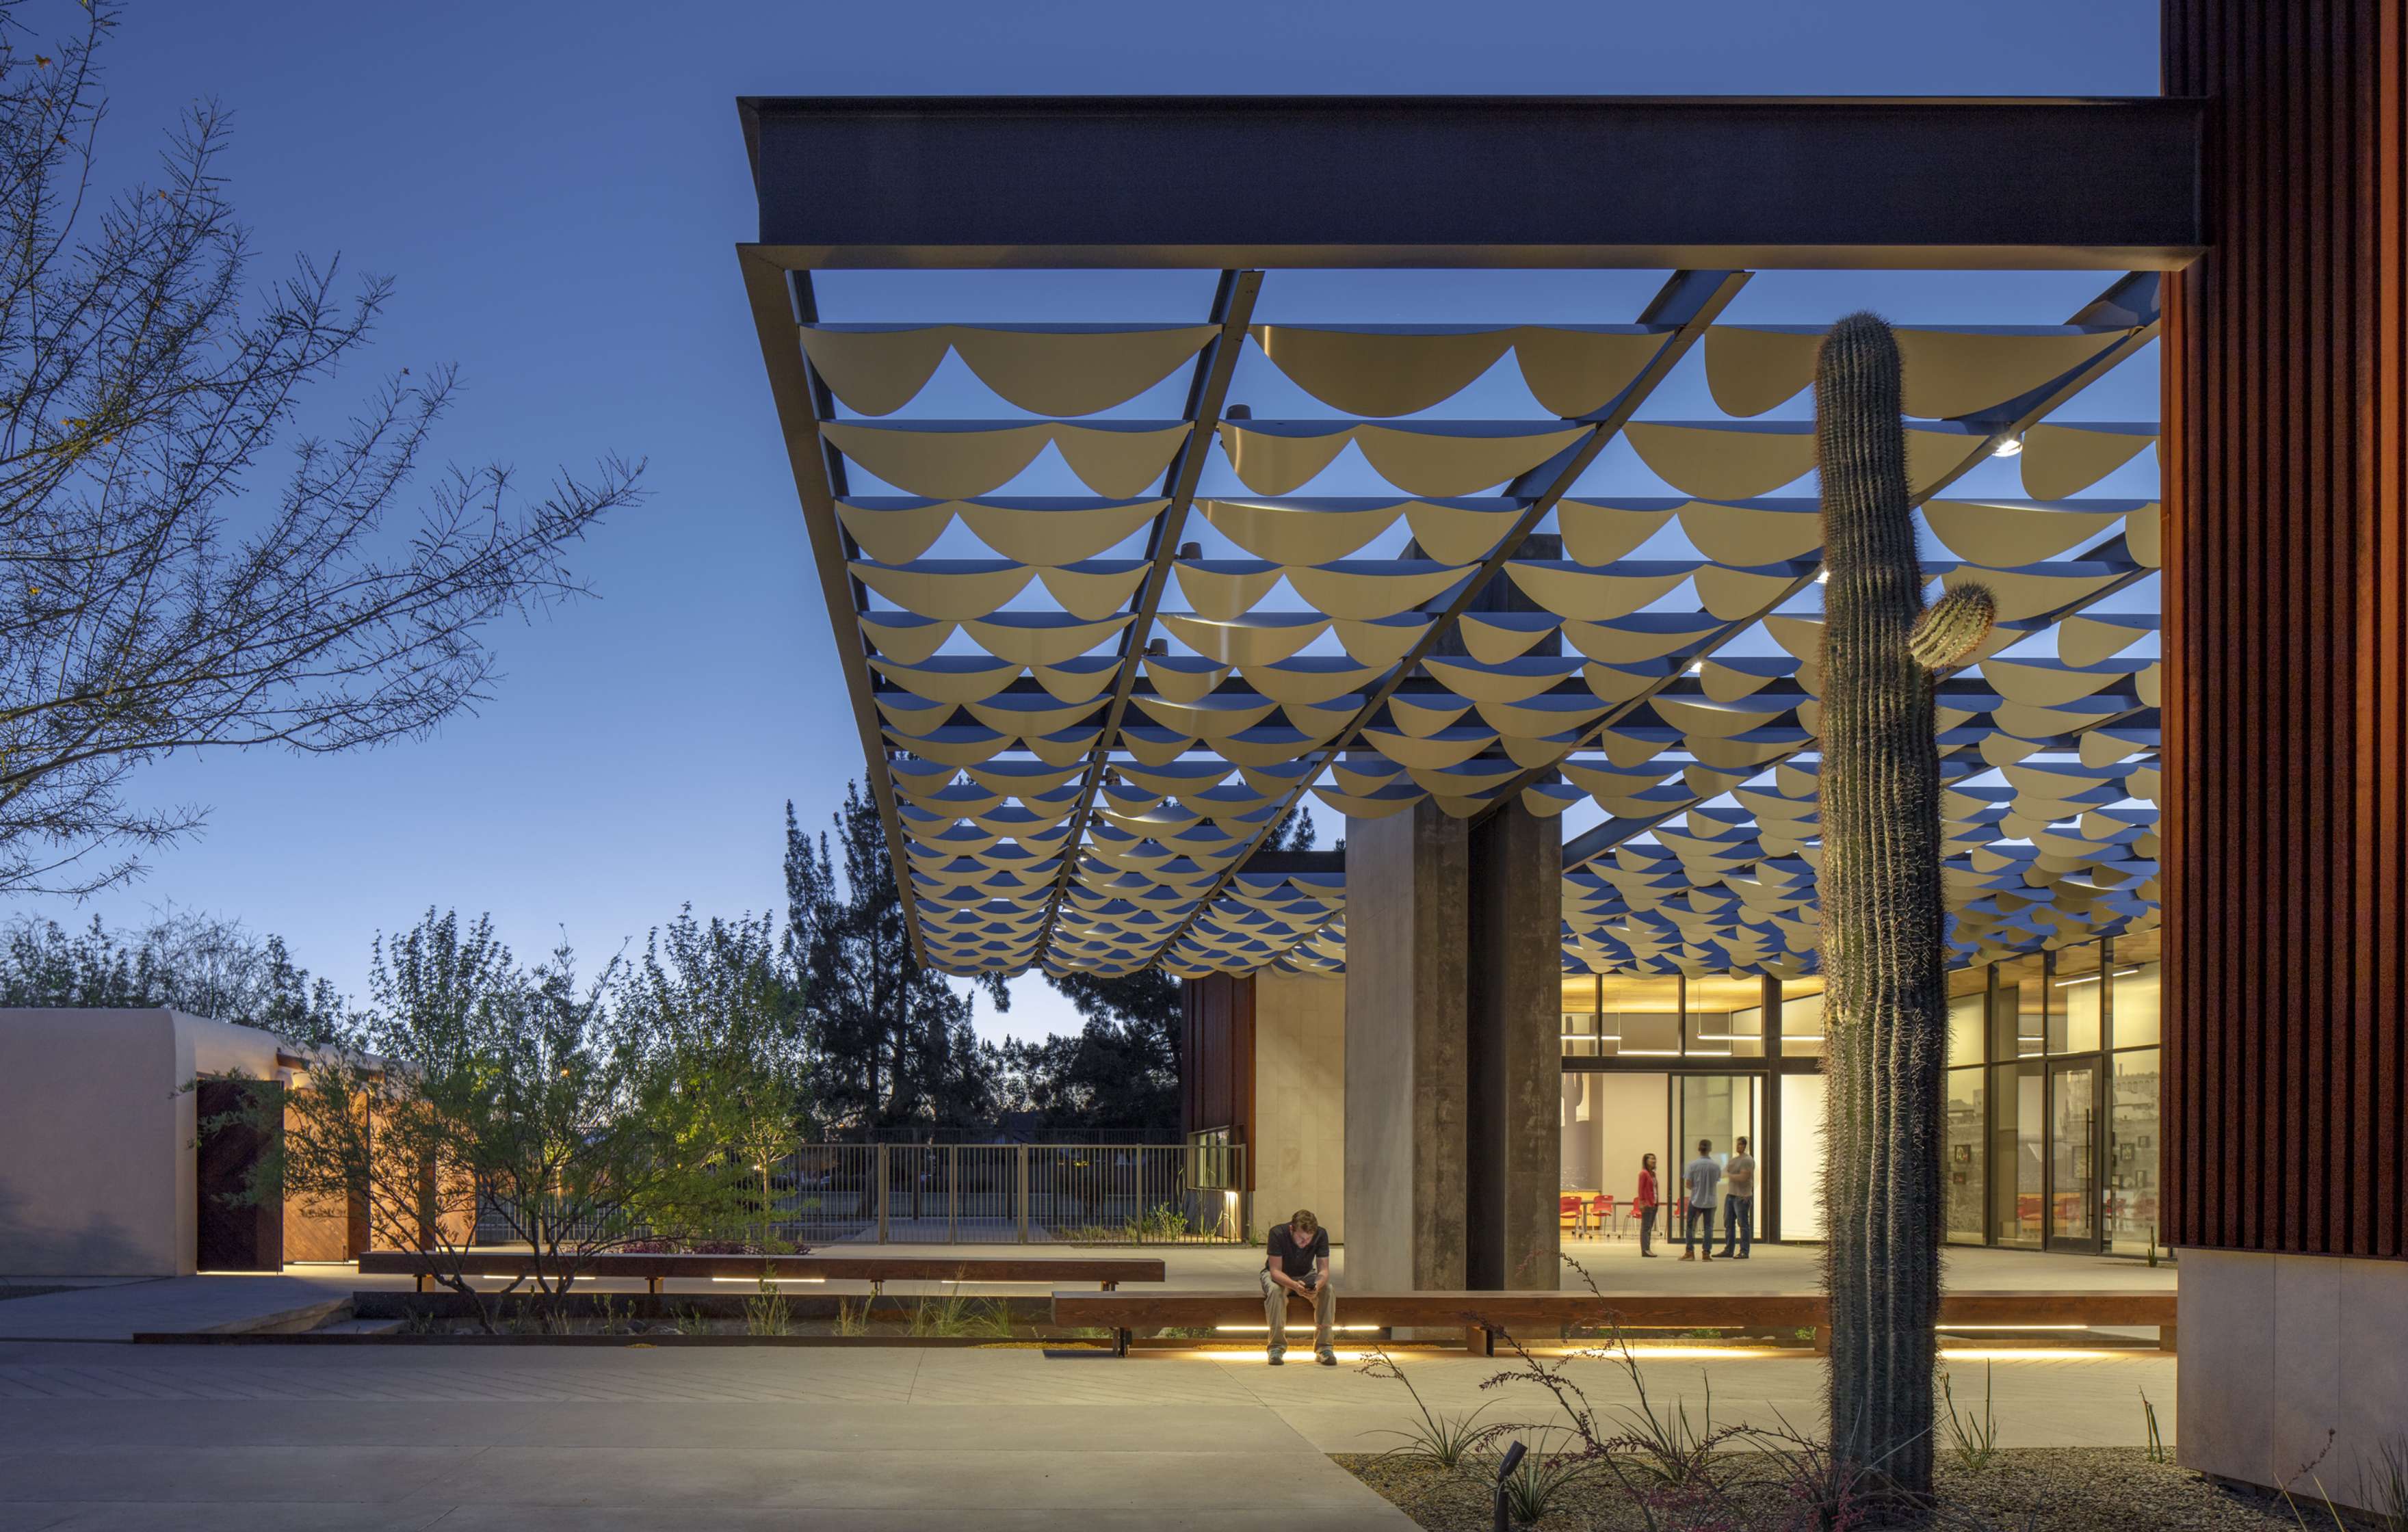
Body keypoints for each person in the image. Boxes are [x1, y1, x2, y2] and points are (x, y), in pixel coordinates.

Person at [1261, 1208, 1336, 1365]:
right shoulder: (1277, 1233)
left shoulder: (1321, 1234)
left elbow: (1324, 1270)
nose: (1305, 1243)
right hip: (1279, 1274)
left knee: (1328, 1289)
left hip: (1306, 1274)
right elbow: (1275, 1271)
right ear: (1291, 1229)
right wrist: (1295, 1286)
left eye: (1309, 1239)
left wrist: (1316, 1285)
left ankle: (1325, 1347)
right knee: (1275, 1292)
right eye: (1301, 1238)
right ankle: (1276, 1347)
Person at [1681, 1138, 1720, 1262]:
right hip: (1711, 1200)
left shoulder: (1692, 1165)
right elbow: (1716, 1181)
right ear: (1710, 1149)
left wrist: (1697, 1187)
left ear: (1699, 1149)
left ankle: (1690, 1252)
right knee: (1708, 1227)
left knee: (1691, 1227)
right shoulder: (1715, 1166)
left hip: (1696, 1200)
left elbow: (1688, 1184)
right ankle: (1706, 1254)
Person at [1720, 1136, 1757, 1260]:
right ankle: (1729, 1249)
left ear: (1745, 1146)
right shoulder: (1733, 1160)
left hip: (1743, 1196)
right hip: (1731, 1195)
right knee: (1728, 1223)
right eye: (1737, 1144)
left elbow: (1744, 1177)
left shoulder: (1748, 1160)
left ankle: (1744, 1251)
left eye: (1741, 1144)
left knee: (1743, 1224)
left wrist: (1730, 1175)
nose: (1738, 1146)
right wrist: (1731, 1175)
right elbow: (1723, 1172)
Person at [1634, 1152, 1660, 1256]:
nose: (1654, 1161)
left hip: (1654, 1203)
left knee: (1649, 1227)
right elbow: (1641, 1189)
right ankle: (1645, 1250)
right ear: (1646, 1161)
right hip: (1647, 1204)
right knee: (1646, 1227)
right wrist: (1642, 1202)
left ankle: (1647, 1248)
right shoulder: (1643, 1173)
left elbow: (1654, 1189)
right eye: (1651, 1159)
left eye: (1654, 1159)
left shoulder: (1653, 1174)